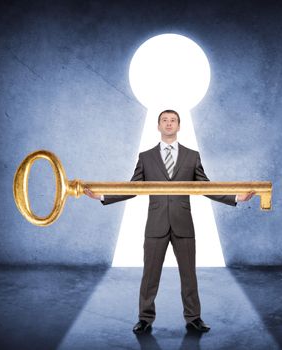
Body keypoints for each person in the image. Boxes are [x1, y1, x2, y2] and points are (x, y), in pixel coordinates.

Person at [84, 110, 255, 334]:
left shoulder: (192, 156)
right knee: (150, 275)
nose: (168, 123)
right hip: (155, 225)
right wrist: (102, 196)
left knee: (189, 274)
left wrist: (235, 197)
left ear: (179, 126)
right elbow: (133, 188)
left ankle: (194, 318)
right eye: (164, 120)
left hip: (183, 223)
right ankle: (145, 319)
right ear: (158, 126)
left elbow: (205, 187)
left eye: (173, 120)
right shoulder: (146, 157)